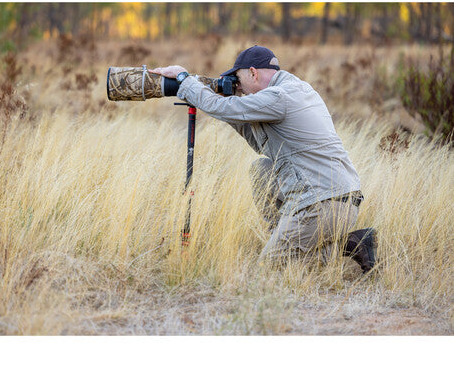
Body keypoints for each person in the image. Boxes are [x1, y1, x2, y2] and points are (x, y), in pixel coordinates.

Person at [150, 45, 376, 273]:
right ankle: (300, 238)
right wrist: (233, 110)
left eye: (238, 81)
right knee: (262, 169)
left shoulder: (279, 97)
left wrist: (184, 79)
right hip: (337, 199)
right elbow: (262, 145)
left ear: (253, 73)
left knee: (270, 269)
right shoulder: (297, 89)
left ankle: (343, 245)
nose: (239, 88)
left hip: (321, 205)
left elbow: (223, 107)